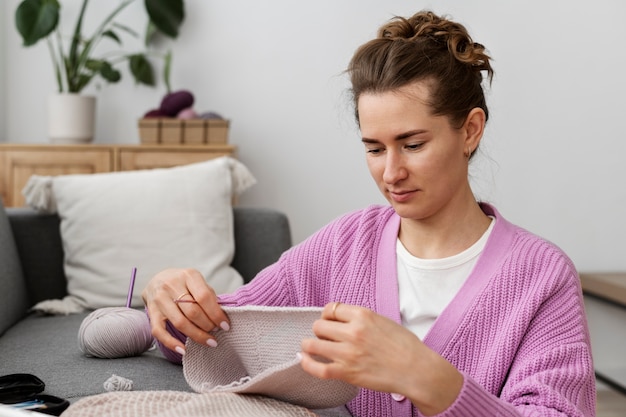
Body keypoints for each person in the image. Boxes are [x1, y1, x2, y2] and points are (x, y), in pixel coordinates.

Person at [142, 10, 596, 417]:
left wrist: (428, 378)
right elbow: (218, 336)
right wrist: (167, 295)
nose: (391, 172)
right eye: (374, 148)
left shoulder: (542, 276)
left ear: (470, 130)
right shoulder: (344, 244)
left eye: (413, 145)